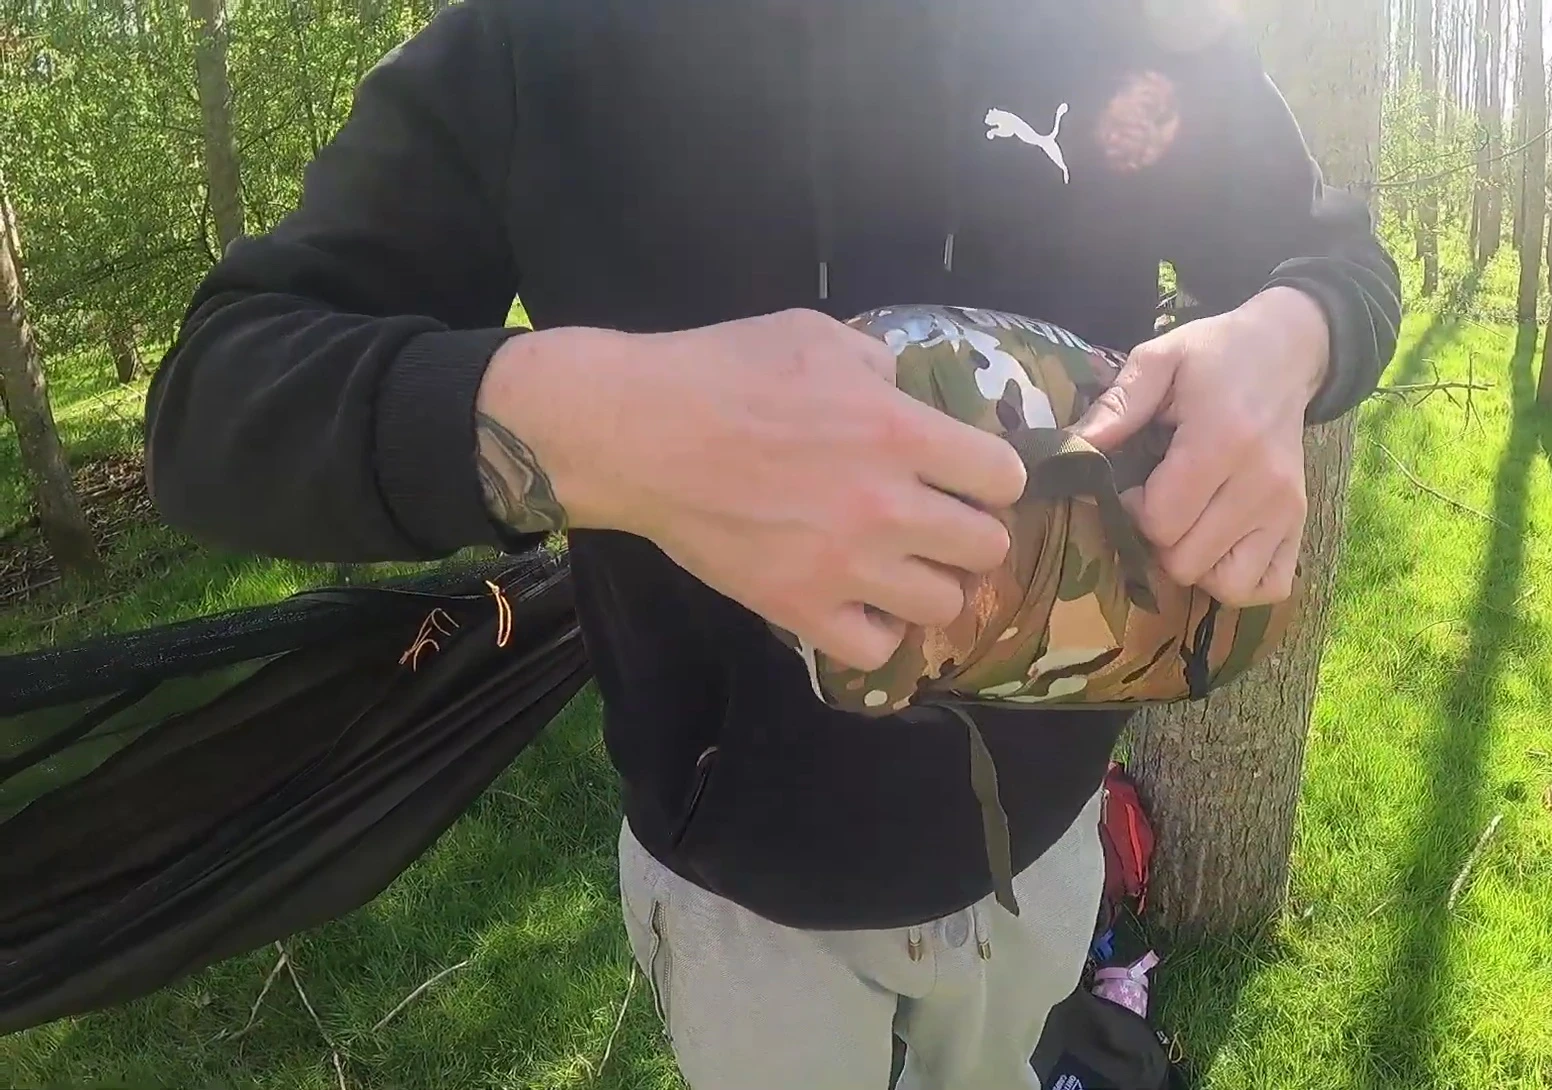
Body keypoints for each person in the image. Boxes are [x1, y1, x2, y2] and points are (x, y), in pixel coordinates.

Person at [143, 0, 1402, 1086]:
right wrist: (608, 428)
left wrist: (1292, 335)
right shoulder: (539, 42)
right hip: (744, 901)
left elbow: (1334, 255)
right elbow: (215, 401)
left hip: (1048, 845)